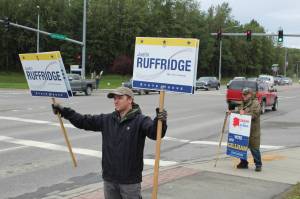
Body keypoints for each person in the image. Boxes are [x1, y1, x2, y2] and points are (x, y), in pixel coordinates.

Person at [52, 87, 167, 199]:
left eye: (119, 98)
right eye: (114, 98)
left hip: (130, 182)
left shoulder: (141, 120)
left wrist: (160, 121)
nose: (115, 101)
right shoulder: (107, 120)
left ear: (130, 100)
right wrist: (64, 111)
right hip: (109, 180)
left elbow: (155, 133)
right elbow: (83, 121)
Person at [230, 87, 262, 172]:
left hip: (252, 130)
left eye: (245, 94)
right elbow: (239, 112)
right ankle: (243, 163)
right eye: (243, 94)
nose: (243, 96)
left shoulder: (255, 103)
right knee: (241, 146)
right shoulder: (242, 103)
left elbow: (255, 115)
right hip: (242, 130)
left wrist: (245, 114)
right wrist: (231, 112)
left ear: (250, 95)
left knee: (254, 148)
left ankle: (258, 164)